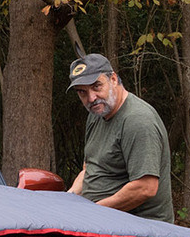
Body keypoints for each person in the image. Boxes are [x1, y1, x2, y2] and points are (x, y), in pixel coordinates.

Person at [63, 52, 174, 222]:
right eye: (82, 92)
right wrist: (67, 199)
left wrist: (92, 212)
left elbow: (145, 187)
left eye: (96, 86)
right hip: (102, 224)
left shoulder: (138, 120)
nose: (91, 98)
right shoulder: (97, 114)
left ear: (113, 79)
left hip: (139, 236)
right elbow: (89, 170)